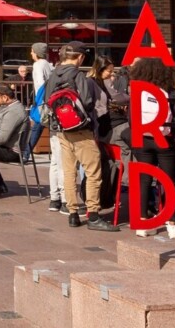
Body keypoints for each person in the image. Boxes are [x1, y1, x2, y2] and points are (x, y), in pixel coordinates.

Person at [44, 42, 117, 232]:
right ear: (81, 57)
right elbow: (88, 102)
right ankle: (93, 215)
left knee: (69, 172)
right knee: (93, 171)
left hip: (61, 130)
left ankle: (73, 214)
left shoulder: (53, 75)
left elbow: (47, 101)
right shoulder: (78, 76)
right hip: (82, 130)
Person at [128, 57, 175, 237]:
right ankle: (172, 222)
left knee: (144, 180)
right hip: (164, 140)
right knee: (168, 181)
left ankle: (142, 222)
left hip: (142, 139)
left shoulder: (137, 92)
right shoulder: (171, 93)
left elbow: (131, 119)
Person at [27, 42, 61, 208]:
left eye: (32, 51)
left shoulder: (37, 65)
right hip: (50, 102)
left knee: (37, 126)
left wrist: (40, 102)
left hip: (43, 103)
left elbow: (40, 84)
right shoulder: (48, 64)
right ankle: (26, 151)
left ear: (36, 53)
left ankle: (26, 152)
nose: (31, 53)